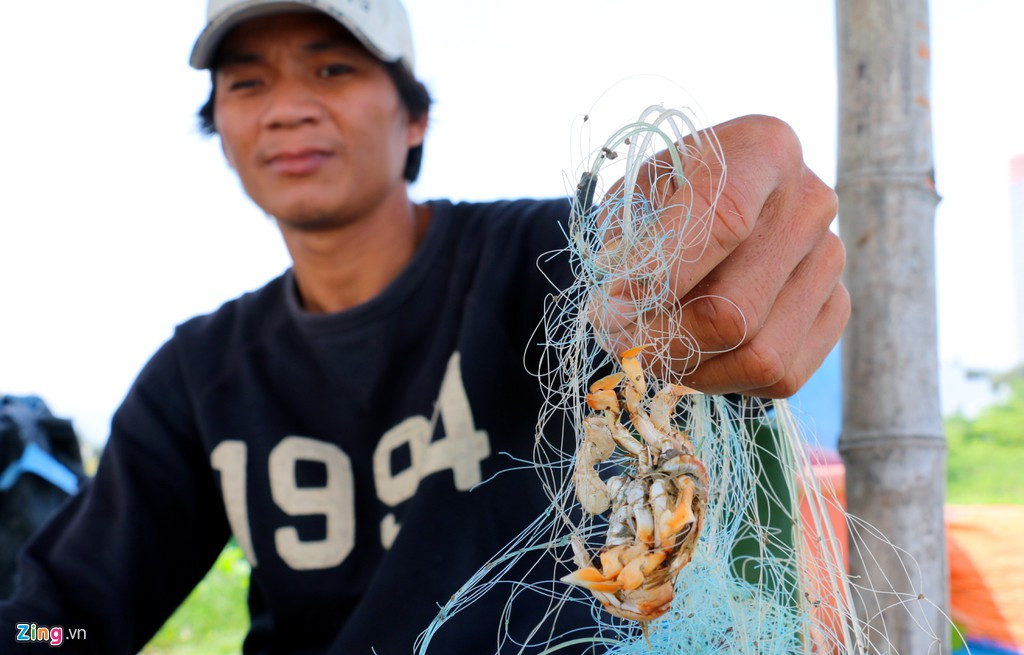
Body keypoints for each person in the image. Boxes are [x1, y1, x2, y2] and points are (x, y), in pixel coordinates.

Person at [0, 0, 849, 652]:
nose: (288, 108)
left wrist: (738, 216)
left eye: (332, 71)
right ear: (220, 130)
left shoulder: (552, 261)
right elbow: (64, 622)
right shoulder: (197, 375)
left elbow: (679, 235)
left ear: (414, 119)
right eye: (248, 82)